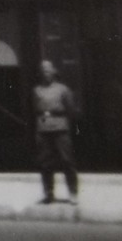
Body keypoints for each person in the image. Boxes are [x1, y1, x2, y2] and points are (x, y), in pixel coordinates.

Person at [33, 59, 80, 205]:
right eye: (43, 70)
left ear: (53, 71)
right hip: (43, 129)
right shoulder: (37, 90)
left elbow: (71, 109)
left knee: (67, 161)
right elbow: (34, 109)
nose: (45, 72)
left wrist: (63, 122)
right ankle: (49, 193)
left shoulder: (63, 89)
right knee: (45, 163)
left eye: (48, 70)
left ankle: (73, 193)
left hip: (60, 128)